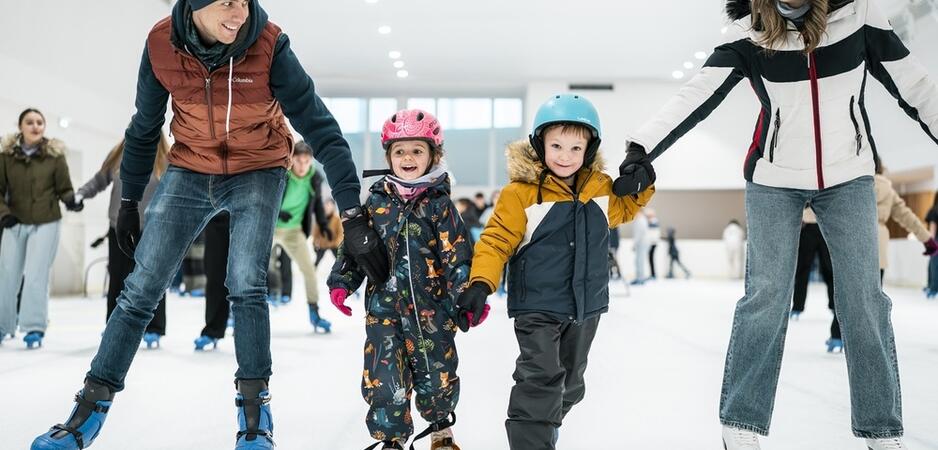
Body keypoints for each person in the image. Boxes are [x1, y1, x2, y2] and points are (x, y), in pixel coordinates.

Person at [30, 1, 387, 448]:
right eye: (227, 2)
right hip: (190, 167)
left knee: (246, 282)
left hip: (259, 167)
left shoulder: (270, 45)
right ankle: (89, 407)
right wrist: (129, 200)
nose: (240, 13)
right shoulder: (161, 43)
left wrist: (352, 214)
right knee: (141, 286)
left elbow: (323, 130)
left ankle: (255, 414)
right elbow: (144, 127)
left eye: (245, 1)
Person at [612, 0, 938, 447]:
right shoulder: (750, 33)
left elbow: (916, 85)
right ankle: (742, 425)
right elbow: (697, 94)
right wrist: (641, 150)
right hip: (773, 180)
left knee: (864, 299)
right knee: (765, 297)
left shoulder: (858, 16)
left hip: (849, 177)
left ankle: (881, 429)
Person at [456, 94, 654, 450]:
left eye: (576, 148)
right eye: (557, 146)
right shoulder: (521, 194)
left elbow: (626, 209)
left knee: (571, 385)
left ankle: (544, 426)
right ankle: (532, 441)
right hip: (537, 306)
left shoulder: (600, 188)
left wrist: (643, 182)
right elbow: (496, 240)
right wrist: (481, 283)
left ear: (589, 150)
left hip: (586, 306)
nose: (566, 156)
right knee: (540, 379)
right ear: (539, 145)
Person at [328, 109, 475, 450]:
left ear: (433, 155)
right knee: (383, 379)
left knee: (437, 374)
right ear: (388, 157)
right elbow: (357, 248)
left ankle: (441, 429)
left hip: (432, 311)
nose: (408, 158)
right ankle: (391, 439)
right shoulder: (376, 202)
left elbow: (457, 255)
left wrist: (466, 296)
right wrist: (342, 281)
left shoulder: (439, 204)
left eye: (417, 151)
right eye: (399, 151)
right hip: (384, 312)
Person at [76, 134, 171, 349]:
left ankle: (154, 327)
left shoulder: (166, 159)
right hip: (119, 226)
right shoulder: (119, 155)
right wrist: (80, 195)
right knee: (118, 278)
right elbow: (99, 180)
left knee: (152, 279)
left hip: (153, 228)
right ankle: (113, 324)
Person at [0, 108, 83, 349]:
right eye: (30, 122)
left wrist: (71, 200)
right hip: (14, 221)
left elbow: (64, 188)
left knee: (36, 275)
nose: (35, 126)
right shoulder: (6, 157)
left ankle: (34, 327)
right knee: (7, 274)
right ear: (20, 126)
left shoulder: (54, 156)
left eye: (39, 122)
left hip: (46, 221)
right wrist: (4, 215)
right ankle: (3, 325)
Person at [269, 140, 333, 332]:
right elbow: (267, 198)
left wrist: (324, 225)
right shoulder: (282, 174)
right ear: (292, 160)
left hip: (294, 231)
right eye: (299, 161)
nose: (302, 166)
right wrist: (278, 213)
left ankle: (314, 312)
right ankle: (235, 312)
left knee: (309, 271)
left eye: (306, 161)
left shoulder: (314, 178)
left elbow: (318, 204)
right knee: (254, 267)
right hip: (270, 228)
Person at [313, 198, 343, 267]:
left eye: (329, 205)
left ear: (333, 207)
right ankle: (312, 270)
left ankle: (342, 269)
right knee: (317, 260)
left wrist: (337, 243)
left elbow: (341, 233)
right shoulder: (321, 218)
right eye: (326, 205)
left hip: (334, 244)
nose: (327, 207)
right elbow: (316, 232)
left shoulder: (337, 219)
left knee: (340, 260)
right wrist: (314, 242)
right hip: (323, 244)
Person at [630, 209, 649, 284]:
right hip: (640, 243)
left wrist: (634, 244)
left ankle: (640, 278)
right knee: (638, 261)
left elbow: (639, 234)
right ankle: (639, 277)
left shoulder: (641, 220)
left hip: (641, 243)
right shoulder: (640, 220)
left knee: (640, 261)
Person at [646, 208, 661, 280]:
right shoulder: (652, 222)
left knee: (651, 259)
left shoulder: (654, 222)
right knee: (650, 259)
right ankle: (652, 274)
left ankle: (653, 274)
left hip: (653, 243)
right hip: (651, 243)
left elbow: (653, 234)